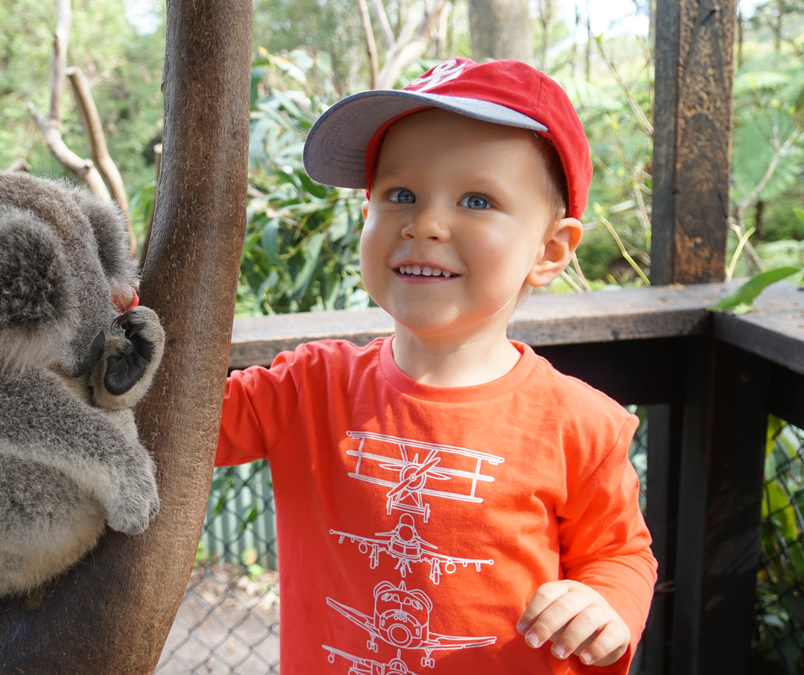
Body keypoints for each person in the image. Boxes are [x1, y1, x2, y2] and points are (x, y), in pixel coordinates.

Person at [216, 57, 656, 674]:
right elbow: (176, 422)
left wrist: (604, 601)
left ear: (550, 251)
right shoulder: (304, 388)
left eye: (477, 199)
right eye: (400, 194)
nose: (424, 223)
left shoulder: (584, 425)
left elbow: (621, 553)